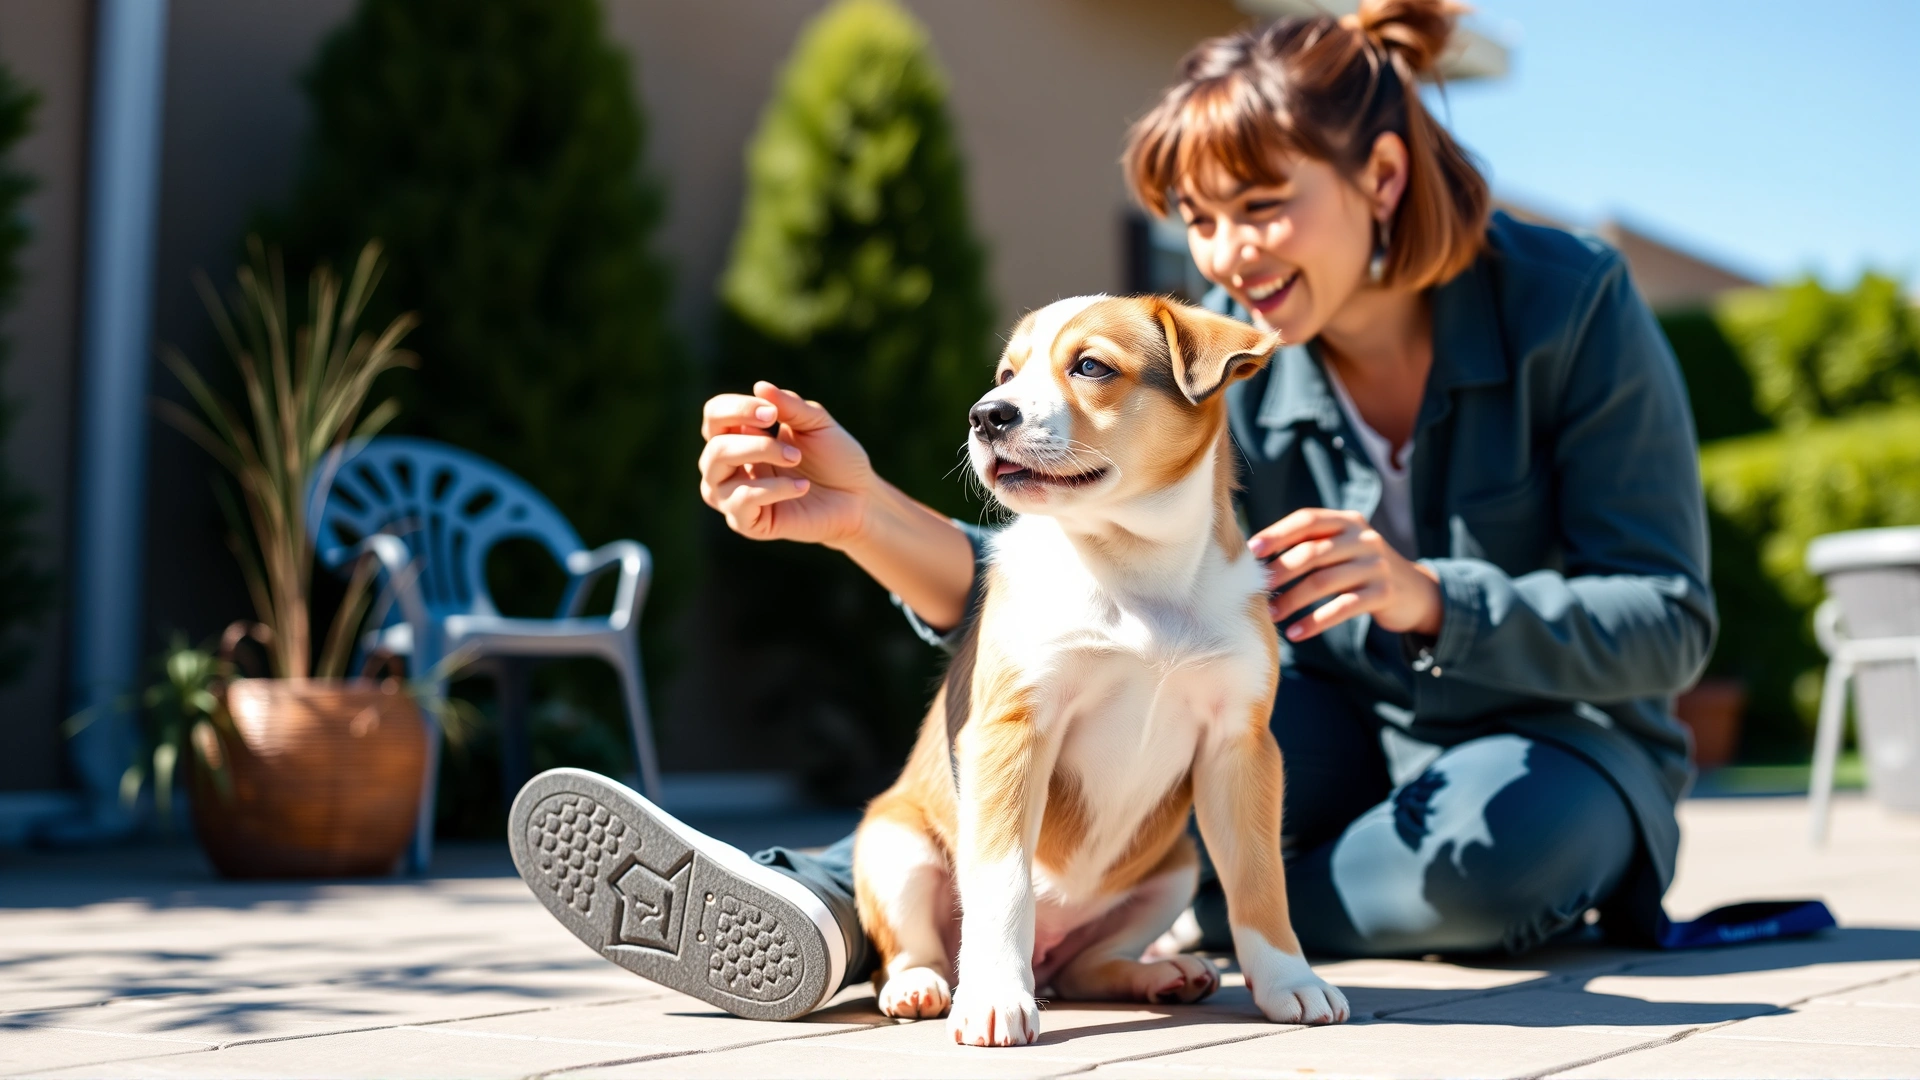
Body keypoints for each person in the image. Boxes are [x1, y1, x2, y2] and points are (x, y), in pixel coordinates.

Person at [512, 0, 1715, 1020]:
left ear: (1383, 177)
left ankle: (1150, 908)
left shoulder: (1571, 305)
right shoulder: (1215, 353)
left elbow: (1669, 619)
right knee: (1090, 722)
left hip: (1561, 735)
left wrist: (1426, 595)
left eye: (1261, 205)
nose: (1227, 254)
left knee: (1479, 878)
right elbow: (1071, 593)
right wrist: (861, 509)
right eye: (1196, 219)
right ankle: (840, 899)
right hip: (1323, 722)